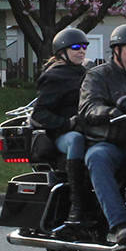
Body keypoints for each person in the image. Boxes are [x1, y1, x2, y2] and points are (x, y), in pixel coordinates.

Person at [77, 24, 126, 245]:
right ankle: (120, 225)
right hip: (111, 142)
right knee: (97, 157)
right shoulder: (98, 76)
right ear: (116, 50)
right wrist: (110, 112)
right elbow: (88, 107)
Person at [30, 27, 90, 227]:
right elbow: (39, 113)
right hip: (62, 136)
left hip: (88, 129)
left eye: (84, 46)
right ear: (62, 51)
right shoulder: (54, 77)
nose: (81, 50)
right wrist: (67, 123)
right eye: (75, 47)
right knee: (76, 140)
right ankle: (77, 202)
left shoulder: (87, 74)